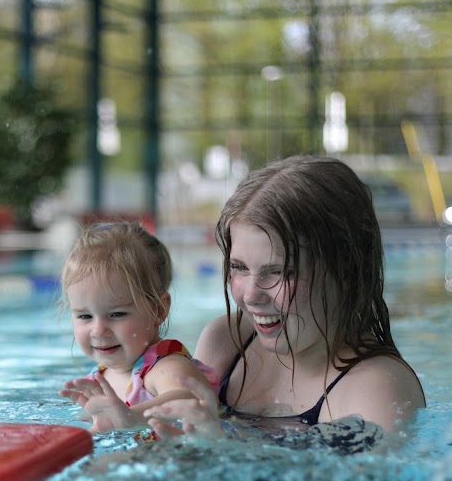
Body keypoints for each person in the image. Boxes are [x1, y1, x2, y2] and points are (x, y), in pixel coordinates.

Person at [145, 155, 426, 443]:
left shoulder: (375, 388)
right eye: (239, 267)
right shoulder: (227, 342)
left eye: (278, 272)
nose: (251, 295)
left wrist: (217, 447)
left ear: (346, 269)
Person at [58, 222, 219, 433]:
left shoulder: (165, 367)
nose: (98, 330)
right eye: (85, 316)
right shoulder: (99, 380)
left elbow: (187, 397)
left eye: (117, 314)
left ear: (159, 310)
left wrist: (131, 417)